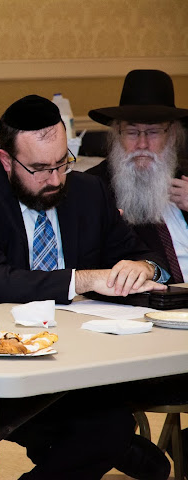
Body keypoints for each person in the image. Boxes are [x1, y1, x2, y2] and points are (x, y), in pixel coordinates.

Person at [0, 95, 170, 480]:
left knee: (109, 423)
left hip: (72, 358)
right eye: (39, 168)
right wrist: (83, 278)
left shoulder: (88, 192)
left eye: (61, 163)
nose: (54, 179)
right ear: (7, 161)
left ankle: (110, 445)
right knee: (101, 431)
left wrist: (143, 267)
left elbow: (145, 254)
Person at [86, 69, 188, 475]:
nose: (142, 144)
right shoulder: (92, 191)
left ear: (173, 136)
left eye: (154, 132)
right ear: (116, 135)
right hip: (142, 340)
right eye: (132, 132)